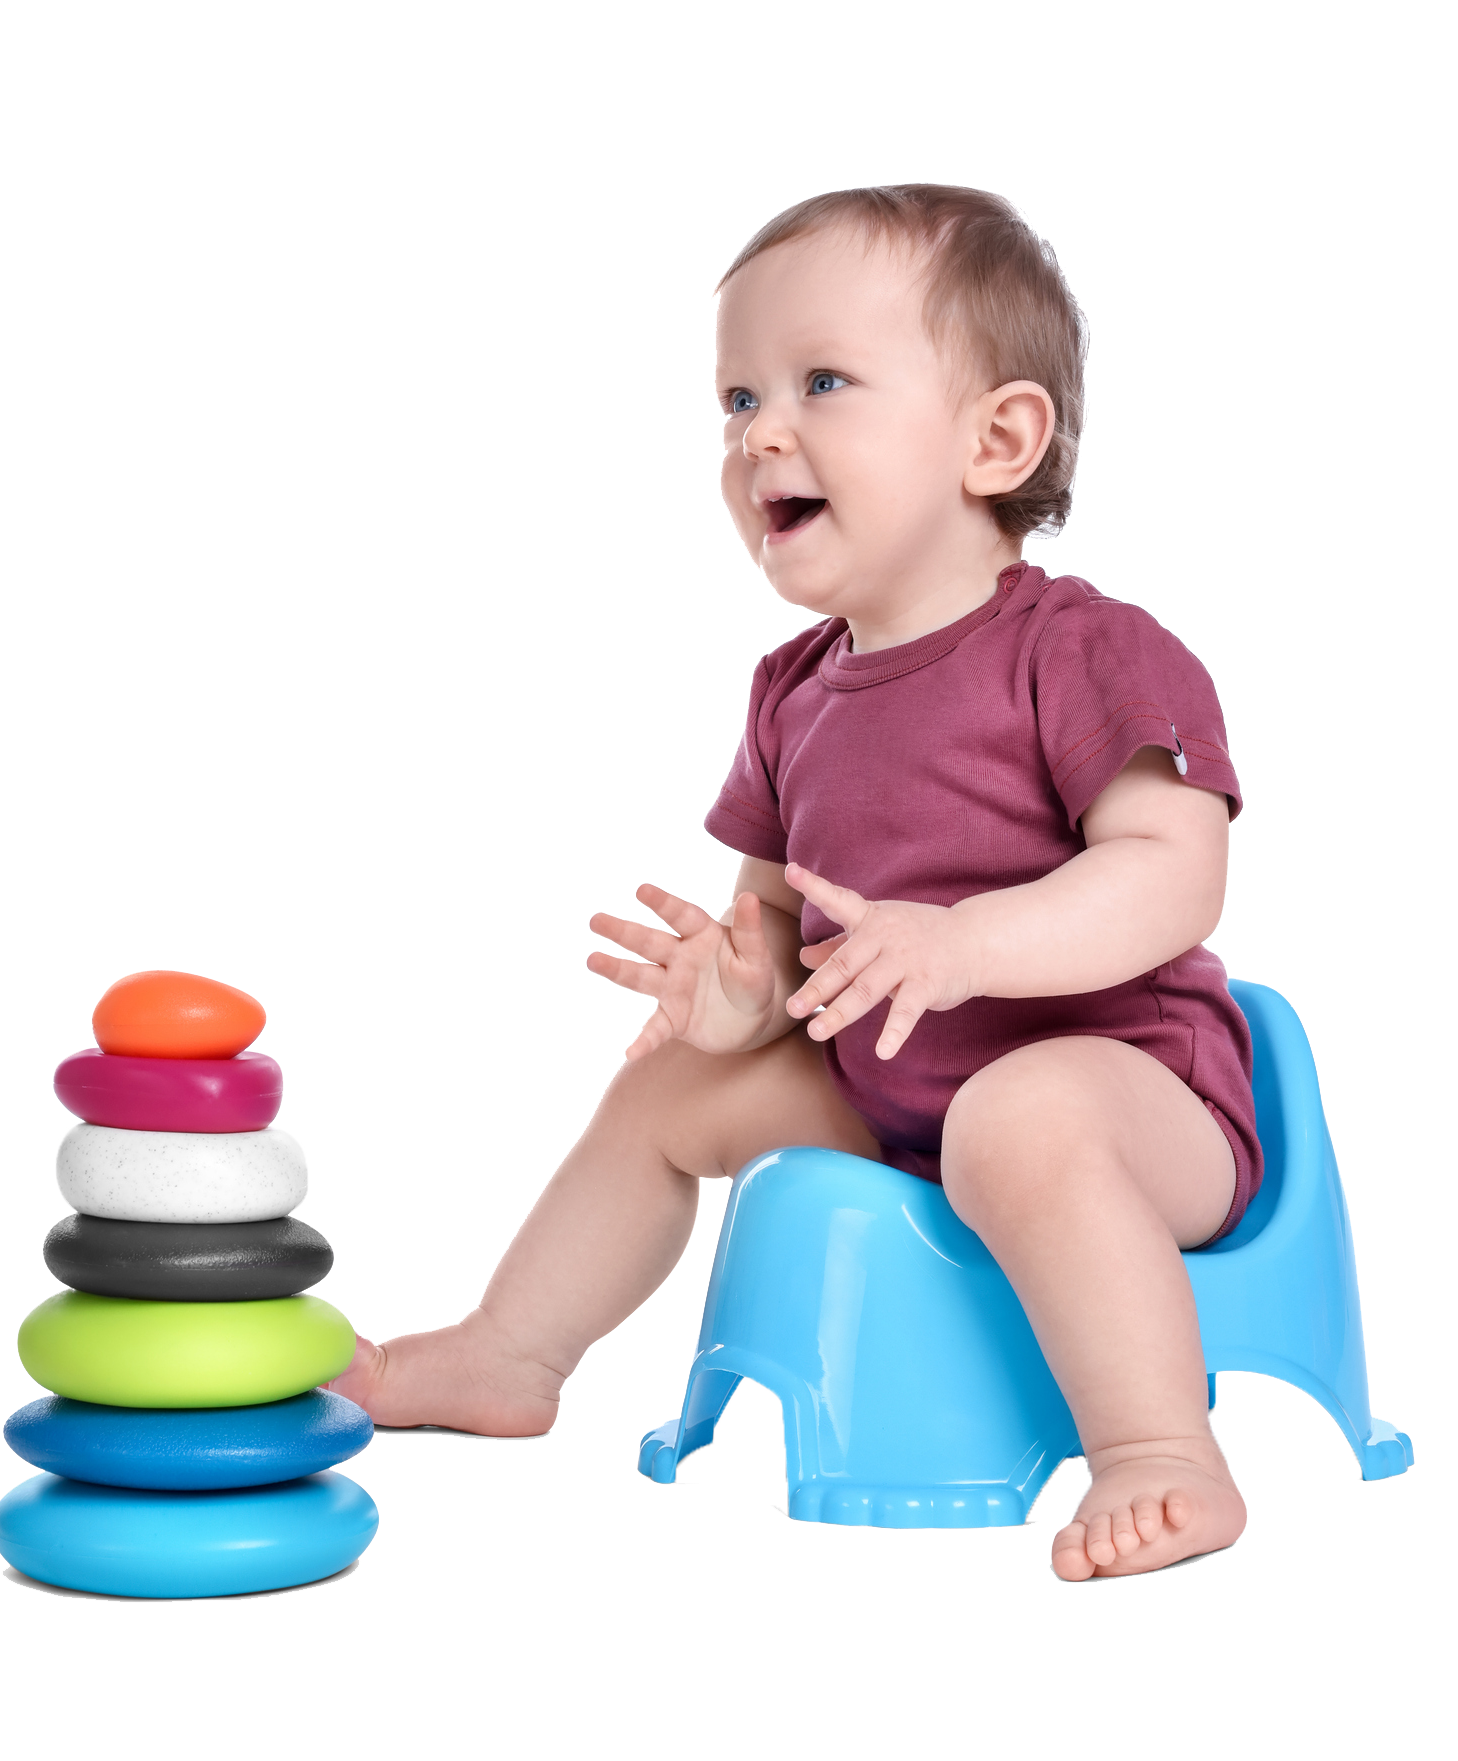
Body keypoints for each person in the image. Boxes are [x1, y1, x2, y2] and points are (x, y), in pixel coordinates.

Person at [330, 184, 1258, 1579]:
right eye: (735, 398)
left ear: (995, 439)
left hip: (1125, 1096)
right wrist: (737, 988)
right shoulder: (793, 690)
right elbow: (775, 907)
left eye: (822, 382)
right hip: (895, 1097)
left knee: (1021, 1109)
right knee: (664, 1093)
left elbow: (1171, 875)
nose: (762, 431)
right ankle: (503, 1353)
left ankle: (1157, 1451)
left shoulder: (1083, 652)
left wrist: (966, 947)